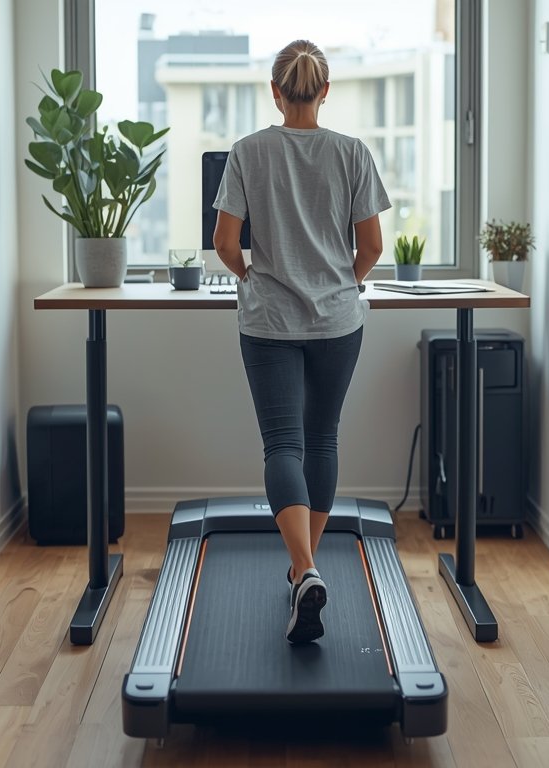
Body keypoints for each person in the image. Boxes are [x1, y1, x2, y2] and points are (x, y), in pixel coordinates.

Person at [211, 39, 389, 645]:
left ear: (276, 91)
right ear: (325, 91)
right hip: (338, 321)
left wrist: (252, 278)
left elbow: (225, 244)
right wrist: (344, 283)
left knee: (282, 443)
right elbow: (371, 249)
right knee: (322, 436)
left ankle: (304, 569)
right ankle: (303, 570)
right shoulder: (352, 153)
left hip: (269, 322)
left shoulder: (247, 152)